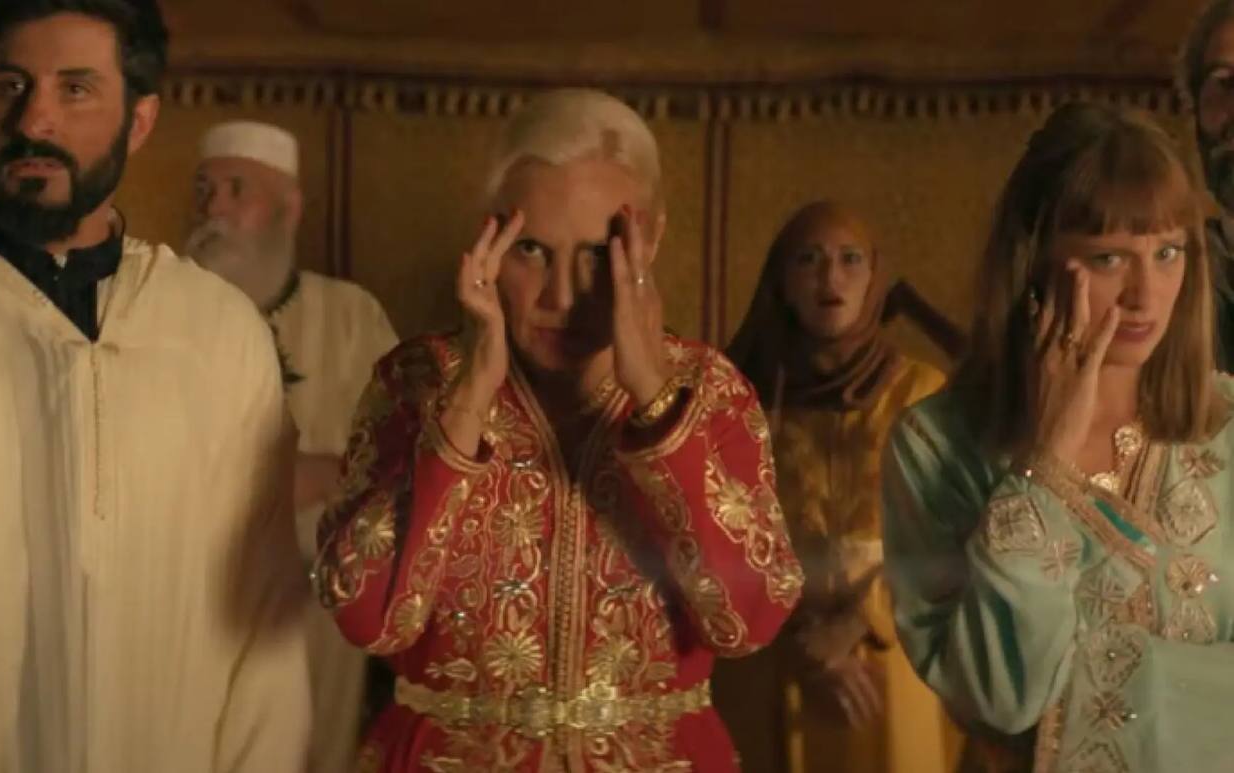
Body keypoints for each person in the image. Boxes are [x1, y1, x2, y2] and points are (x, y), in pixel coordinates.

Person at [0, 1, 310, 770]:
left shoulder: (216, 334)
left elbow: (262, 615)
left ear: (140, 120)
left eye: (75, 89)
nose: (34, 120)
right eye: (11, 86)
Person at [313, 88, 803, 771]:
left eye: (597, 253)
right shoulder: (416, 382)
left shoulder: (708, 392)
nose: (563, 296)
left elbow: (750, 620)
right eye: (531, 250)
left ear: (653, 237)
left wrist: (656, 406)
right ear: (488, 237)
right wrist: (467, 405)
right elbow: (369, 618)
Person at [883, 102, 1234, 772]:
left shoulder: (1227, 427)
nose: (1145, 295)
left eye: (1167, 253)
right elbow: (1000, 699)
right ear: (1034, 261)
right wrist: (1045, 469)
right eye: (1109, 258)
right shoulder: (935, 446)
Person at [719, 202, 959, 773]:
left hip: (891, 653)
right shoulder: (737, 396)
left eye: (850, 259)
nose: (831, 277)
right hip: (773, 655)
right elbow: (715, 534)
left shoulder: (924, 394)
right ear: (782, 281)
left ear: (875, 277)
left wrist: (859, 622)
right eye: (809, 260)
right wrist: (805, 642)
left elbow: (955, 535)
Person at [187, 119, 397, 773]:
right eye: (205, 190)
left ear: (290, 208)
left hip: (314, 607)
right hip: (191, 599)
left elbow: (409, 454)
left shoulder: (352, 316)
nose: (215, 208)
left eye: (238, 190)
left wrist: (330, 474)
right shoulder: (162, 313)